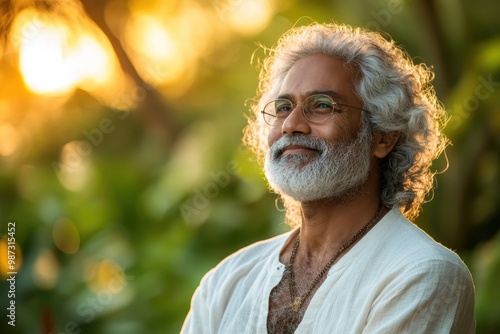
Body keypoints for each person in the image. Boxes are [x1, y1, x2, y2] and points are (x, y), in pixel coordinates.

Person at [181, 23, 475, 334]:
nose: (292, 124)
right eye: (283, 107)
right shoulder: (227, 281)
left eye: (322, 105)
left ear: (383, 137)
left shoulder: (420, 272)